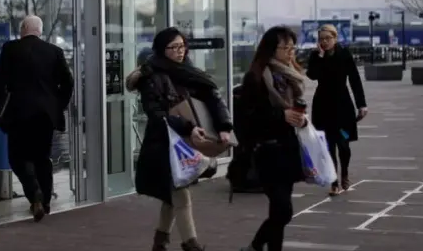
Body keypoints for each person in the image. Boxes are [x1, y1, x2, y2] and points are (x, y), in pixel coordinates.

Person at [125, 27, 233, 251]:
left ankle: (160, 240)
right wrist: (188, 126)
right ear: (161, 49)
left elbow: (212, 96)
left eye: (182, 46)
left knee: (172, 195)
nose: (179, 51)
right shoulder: (150, 76)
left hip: (187, 141)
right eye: (173, 47)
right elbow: (156, 114)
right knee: (180, 194)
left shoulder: (190, 72)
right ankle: (190, 244)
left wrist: (224, 127)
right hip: (164, 143)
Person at [0, 15, 74, 222]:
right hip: (45, 116)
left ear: (22, 29)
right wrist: (56, 106)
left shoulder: (11, 49)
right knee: (42, 158)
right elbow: (68, 83)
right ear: (40, 30)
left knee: (18, 157)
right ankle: (44, 202)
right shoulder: (54, 52)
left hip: (19, 113)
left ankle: (34, 193)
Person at [239, 26, 308, 251]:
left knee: (279, 212)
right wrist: (281, 115)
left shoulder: (290, 77)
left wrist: (302, 120)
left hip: (288, 149)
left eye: (292, 47)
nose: (290, 52)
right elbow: (247, 119)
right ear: (270, 49)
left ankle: (261, 247)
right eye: (285, 48)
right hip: (266, 151)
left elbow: (297, 111)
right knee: (282, 210)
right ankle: (255, 245)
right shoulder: (256, 77)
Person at [306, 24, 367, 196]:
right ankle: (334, 182)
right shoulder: (316, 55)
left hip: (343, 106)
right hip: (322, 106)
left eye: (327, 38)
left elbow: (355, 79)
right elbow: (312, 75)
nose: (324, 42)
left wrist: (361, 104)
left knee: (343, 144)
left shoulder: (344, 54)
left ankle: (345, 173)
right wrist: (320, 56)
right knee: (328, 146)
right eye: (321, 39)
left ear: (335, 38)